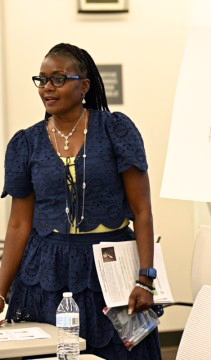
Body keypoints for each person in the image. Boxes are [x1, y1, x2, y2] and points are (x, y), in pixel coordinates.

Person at [0, 43, 161, 359]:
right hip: (46, 272)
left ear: (84, 86)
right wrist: (1, 289)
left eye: (58, 78)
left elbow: (142, 210)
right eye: (42, 79)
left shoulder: (115, 130)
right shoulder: (26, 143)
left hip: (111, 270)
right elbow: (19, 223)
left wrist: (146, 279)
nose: (47, 87)